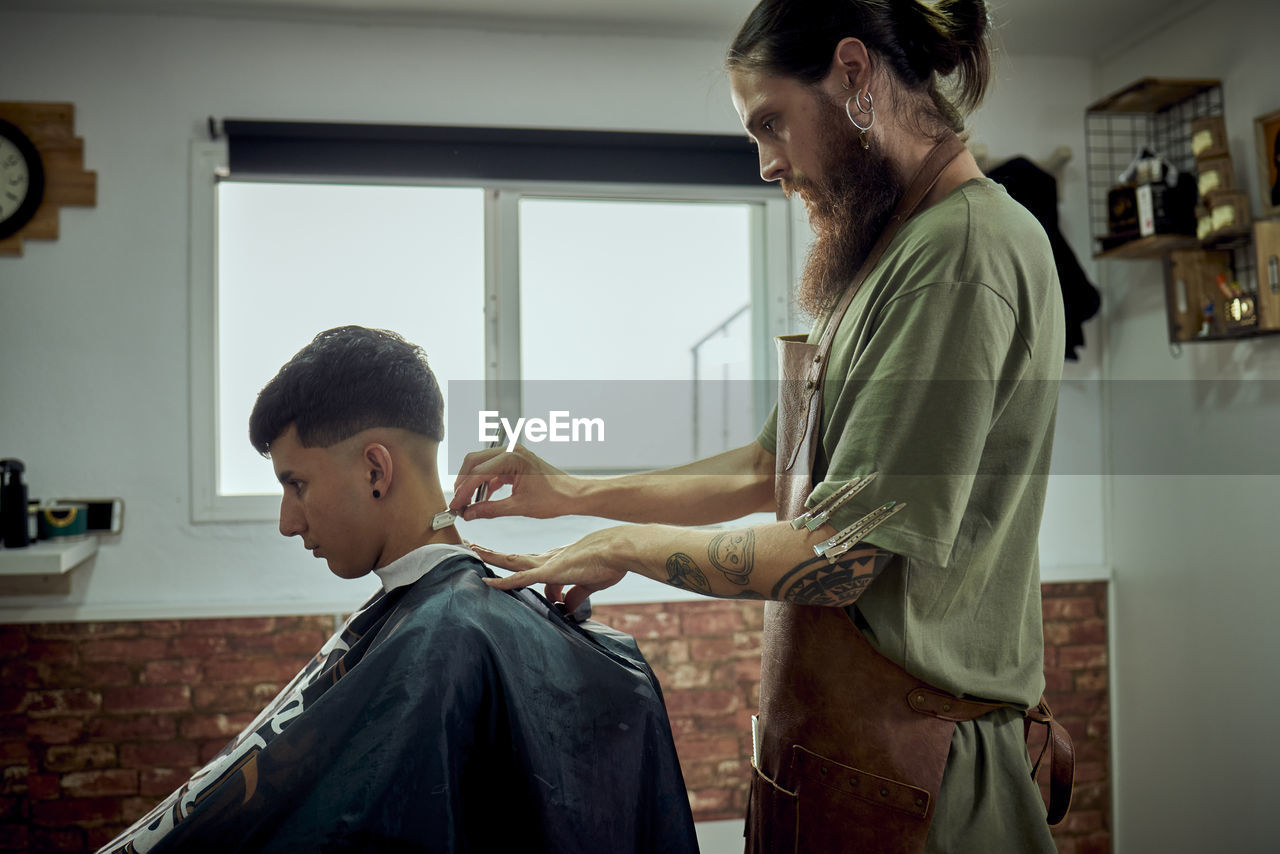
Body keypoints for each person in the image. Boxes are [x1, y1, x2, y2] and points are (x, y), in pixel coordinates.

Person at [450, 1, 1073, 851]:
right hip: (843, 767)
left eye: (771, 123)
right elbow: (769, 466)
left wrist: (617, 547)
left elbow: (841, 555)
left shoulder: (959, 254)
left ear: (854, 77)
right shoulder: (889, 254)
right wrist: (570, 493)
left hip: (926, 791)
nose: (766, 165)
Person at [97, 326, 698, 854]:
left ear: (375, 470)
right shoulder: (451, 620)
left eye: (297, 483)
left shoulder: (450, 633)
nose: (288, 520)